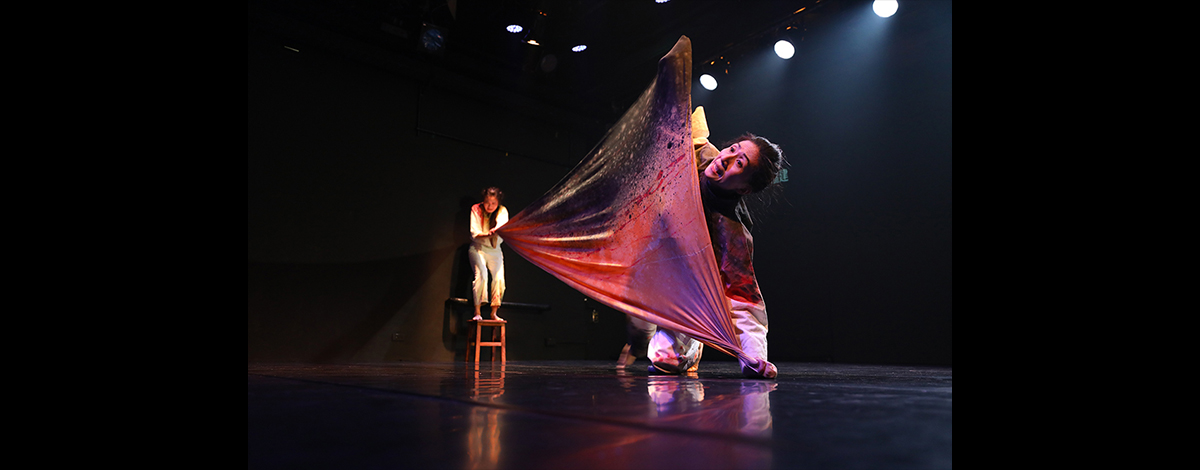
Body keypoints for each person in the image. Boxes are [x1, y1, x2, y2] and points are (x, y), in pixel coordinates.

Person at [647, 106, 786, 379]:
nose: (726, 158)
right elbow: (686, 126)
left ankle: (690, 346)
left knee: (664, 361)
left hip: (685, 281)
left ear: (743, 188)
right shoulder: (702, 154)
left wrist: (754, 358)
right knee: (637, 332)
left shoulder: (732, 231)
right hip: (649, 256)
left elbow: (744, 298)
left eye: (739, 164)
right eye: (733, 149)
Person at [469, 187, 509, 322]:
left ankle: (494, 313)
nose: (490, 206)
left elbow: (501, 227)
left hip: (495, 249)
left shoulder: (502, 211)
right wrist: (489, 234)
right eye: (487, 202)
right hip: (478, 248)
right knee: (482, 274)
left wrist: (495, 231)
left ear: (498, 203)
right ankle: (477, 311)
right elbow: (474, 233)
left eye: (493, 203)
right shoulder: (476, 209)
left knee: (499, 279)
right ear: (483, 201)